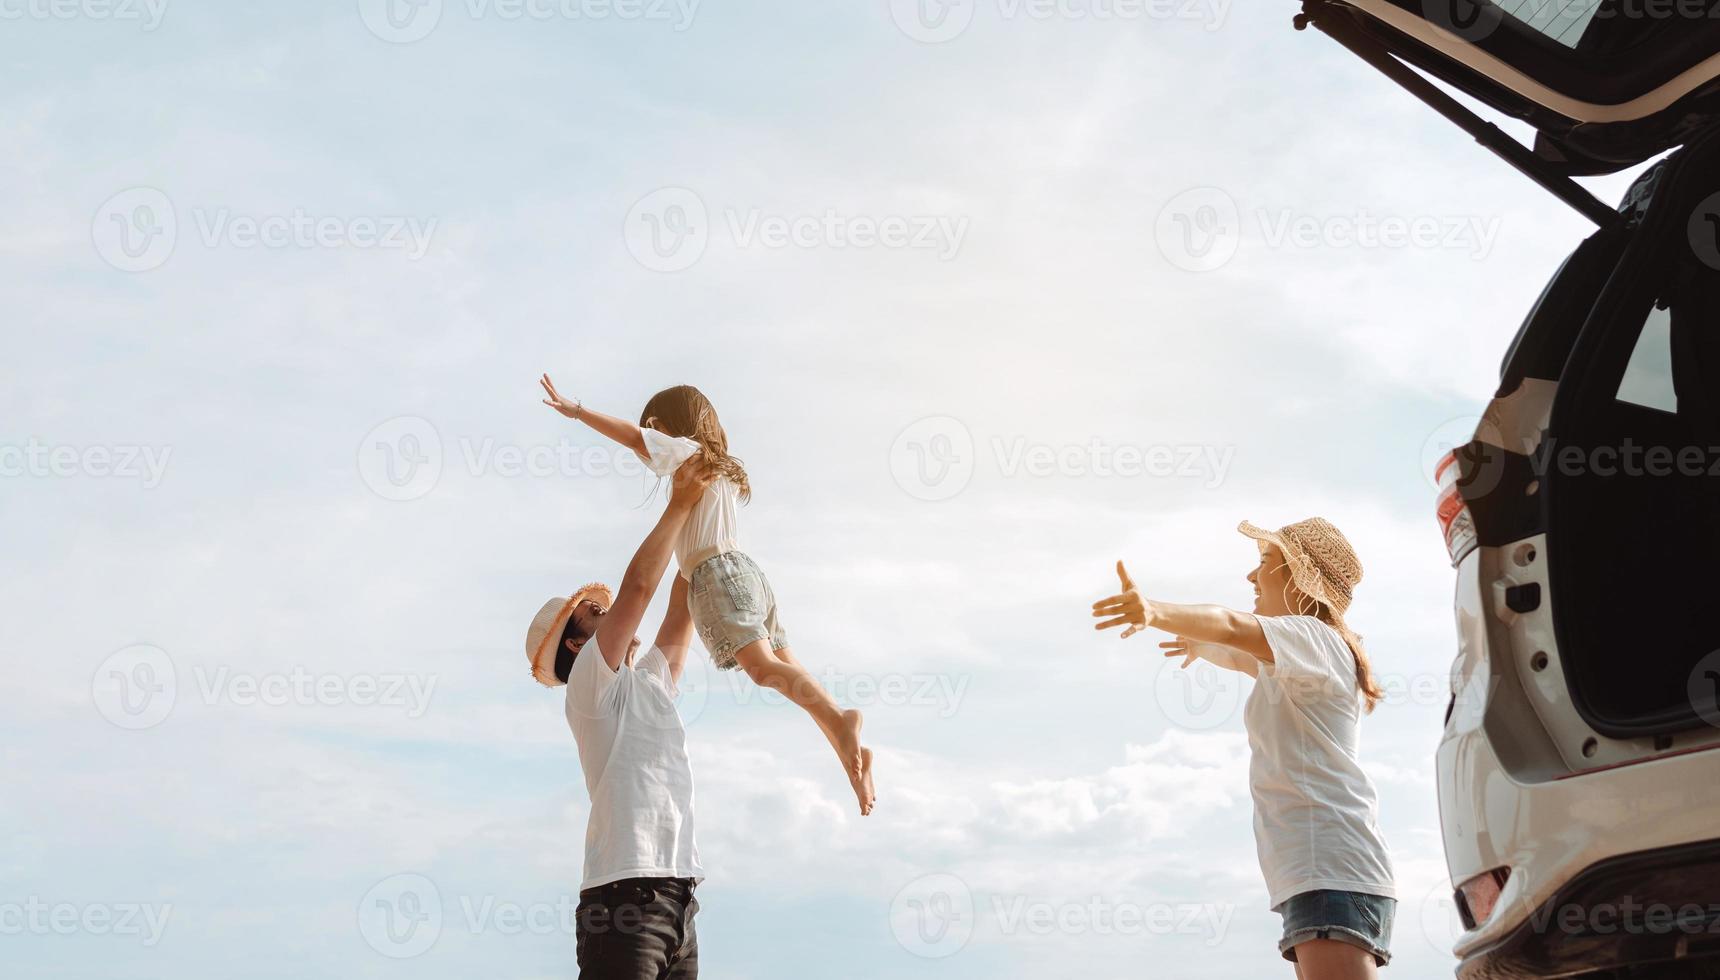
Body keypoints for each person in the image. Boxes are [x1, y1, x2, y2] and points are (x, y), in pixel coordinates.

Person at [540, 375, 876, 815]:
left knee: (761, 669)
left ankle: (839, 722)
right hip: (747, 573)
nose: (649, 453)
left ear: (663, 426)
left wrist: (579, 412)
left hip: (716, 574)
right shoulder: (718, 470)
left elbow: (634, 439)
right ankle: (842, 742)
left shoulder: (685, 455)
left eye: (653, 433)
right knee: (786, 666)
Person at [1092, 518, 1397, 979]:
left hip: (1332, 870)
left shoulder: (1313, 637)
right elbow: (1237, 648)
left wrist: (1153, 610)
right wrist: (1198, 642)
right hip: (1320, 873)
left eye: (1264, 563)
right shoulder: (1303, 658)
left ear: (1299, 577)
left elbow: (1233, 627)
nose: (1251, 577)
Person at [523, 457, 714, 979]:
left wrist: (708, 512)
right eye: (591, 612)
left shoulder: (649, 682)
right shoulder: (588, 685)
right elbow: (638, 589)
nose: (606, 611)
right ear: (576, 643)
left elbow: (683, 599)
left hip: (680, 899)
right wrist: (677, 501)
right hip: (623, 900)